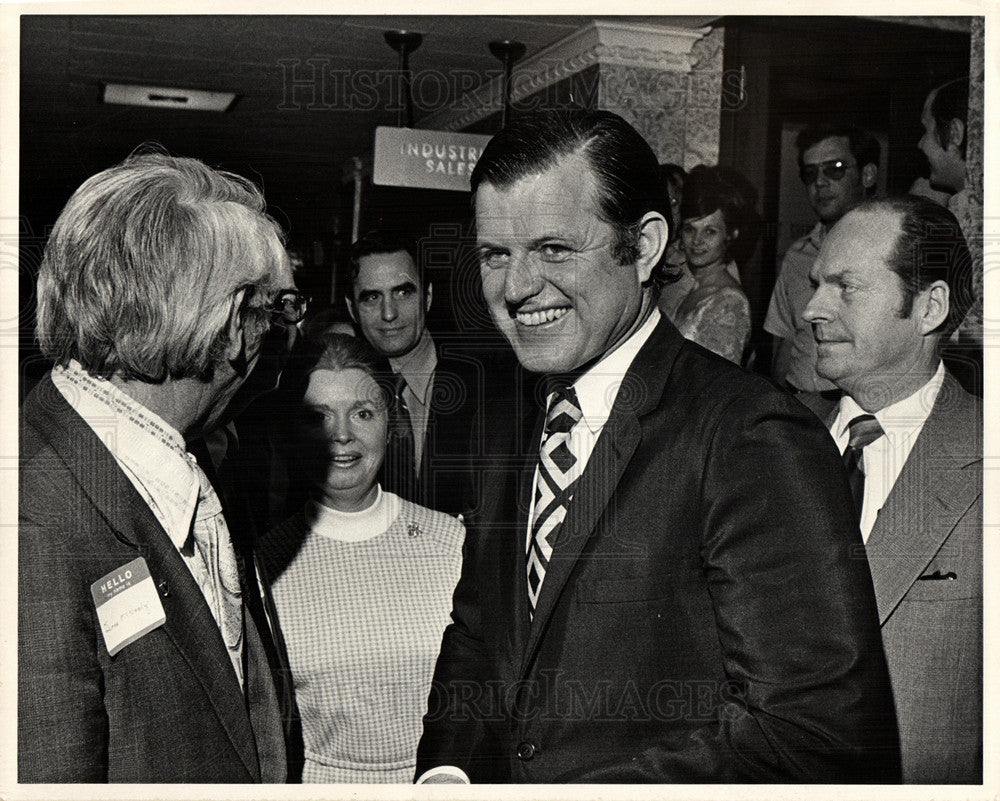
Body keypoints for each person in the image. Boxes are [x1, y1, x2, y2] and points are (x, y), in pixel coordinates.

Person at [415, 110, 900, 783]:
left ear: (644, 246)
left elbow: (811, 734)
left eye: (554, 248)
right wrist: (445, 773)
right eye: (496, 253)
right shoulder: (507, 419)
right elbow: (477, 634)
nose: (516, 287)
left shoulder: (751, 435)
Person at [19, 151, 296, 782]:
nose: (278, 342)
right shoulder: (33, 518)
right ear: (230, 324)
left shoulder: (167, 463)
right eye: (272, 314)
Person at [800, 196, 981, 783]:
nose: (811, 309)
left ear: (928, 308)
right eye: (815, 284)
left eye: (845, 287)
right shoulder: (762, 440)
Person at [258, 333, 464, 783]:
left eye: (363, 413)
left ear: (390, 422)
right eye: (319, 417)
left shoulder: (453, 542)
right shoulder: (261, 565)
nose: (342, 435)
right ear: (294, 431)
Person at [346, 231, 482, 515]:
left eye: (403, 292)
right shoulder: (342, 390)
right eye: (371, 297)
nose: (389, 314)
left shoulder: (483, 387)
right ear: (352, 309)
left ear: (428, 296)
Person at [765, 125, 879, 392]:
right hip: (799, 407)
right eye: (810, 173)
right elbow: (786, 341)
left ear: (868, 174)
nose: (820, 182)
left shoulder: (886, 255)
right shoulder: (797, 256)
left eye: (835, 168)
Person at [666, 165, 752, 364]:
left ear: (730, 234)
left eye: (710, 231)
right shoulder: (694, 288)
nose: (697, 240)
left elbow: (715, 387)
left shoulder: (730, 302)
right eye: (690, 229)